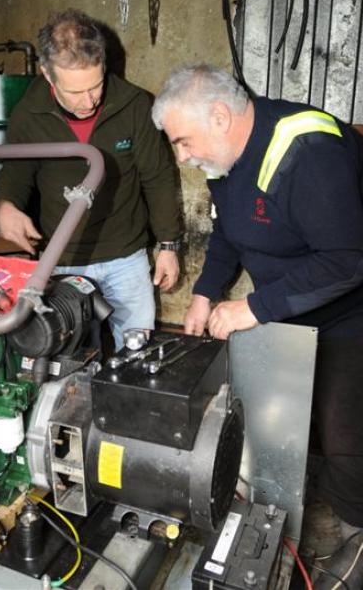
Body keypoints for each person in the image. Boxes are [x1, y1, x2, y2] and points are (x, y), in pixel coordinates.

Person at [152, 64, 363, 589]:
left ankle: (358, 540)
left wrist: (253, 309)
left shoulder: (308, 153)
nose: (182, 156)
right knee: (277, 420)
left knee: (345, 438)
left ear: (219, 116)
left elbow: (347, 261)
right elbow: (229, 237)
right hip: (289, 311)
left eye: (182, 141)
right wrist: (204, 294)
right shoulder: (228, 156)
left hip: (349, 312)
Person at [0, 9, 181, 350]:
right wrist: (6, 205)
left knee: (136, 350)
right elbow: (16, 170)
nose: (89, 101)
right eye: (75, 93)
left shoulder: (136, 105)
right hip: (63, 258)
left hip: (126, 256)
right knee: (66, 355)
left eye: (96, 86)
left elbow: (158, 176)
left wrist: (168, 245)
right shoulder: (28, 113)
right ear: (48, 76)